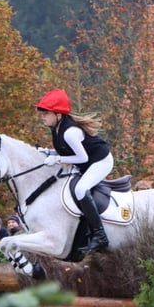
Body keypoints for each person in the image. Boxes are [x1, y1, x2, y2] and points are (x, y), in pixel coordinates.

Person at [35, 88, 113, 253]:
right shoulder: (56, 128)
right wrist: (49, 152)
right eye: (42, 113)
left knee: (80, 189)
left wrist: (57, 159)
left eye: (46, 113)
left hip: (100, 161)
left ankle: (100, 236)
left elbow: (82, 157)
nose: (42, 116)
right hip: (87, 162)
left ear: (58, 114)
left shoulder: (70, 132)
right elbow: (67, 151)